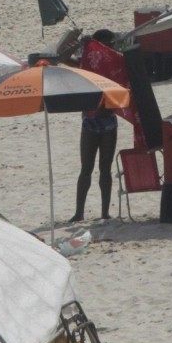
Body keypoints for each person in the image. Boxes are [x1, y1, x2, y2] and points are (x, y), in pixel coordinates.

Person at [69, 29, 119, 222]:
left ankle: (104, 212)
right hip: (90, 121)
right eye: (109, 45)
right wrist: (81, 43)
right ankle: (79, 212)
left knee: (105, 168)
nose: (111, 48)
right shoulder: (88, 65)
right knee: (86, 168)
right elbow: (64, 58)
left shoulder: (114, 62)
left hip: (107, 121)